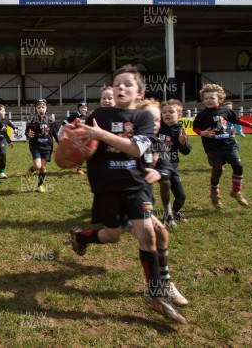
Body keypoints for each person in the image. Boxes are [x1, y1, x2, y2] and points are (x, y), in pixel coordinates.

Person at [68, 65, 186, 324]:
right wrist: (71, 140)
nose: (121, 88)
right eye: (117, 83)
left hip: (135, 187)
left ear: (140, 93)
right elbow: (79, 142)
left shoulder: (142, 118)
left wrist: (101, 134)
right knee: (112, 235)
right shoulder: (98, 113)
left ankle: (154, 295)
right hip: (106, 188)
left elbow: (135, 150)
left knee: (148, 236)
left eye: (128, 84)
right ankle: (82, 237)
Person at [136, 99, 189, 307]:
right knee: (114, 234)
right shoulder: (129, 142)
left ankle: (160, 288)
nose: (156, 122)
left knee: (159, 234)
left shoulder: (158, 143)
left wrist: (158, 172)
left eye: (157, 119)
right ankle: (158, 291)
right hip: (126, 200)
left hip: (143, 200)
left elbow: (167, 167)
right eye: (150, 119)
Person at [193, 84, 252, 208]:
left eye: (211, 98)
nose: (208, 100)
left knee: (238, 166)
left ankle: (236, 191)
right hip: (213, 148)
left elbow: (236, 120)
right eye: (206, 98)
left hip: (229, 145)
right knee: (217, 171)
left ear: (219, 99)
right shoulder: (202, 115)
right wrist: (202, 133)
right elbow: (195, 128)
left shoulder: (226, 111)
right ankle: (215, 195)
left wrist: (249, 125)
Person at [158, 99, 192, 227]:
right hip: (154, 167)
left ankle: (174, 212)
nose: (167, 114)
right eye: (164, 112)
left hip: (171, 167)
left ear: (179, 114)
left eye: (171, 112)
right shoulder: (157, 127)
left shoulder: (180, 130)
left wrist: (183, 143)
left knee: (181, 197)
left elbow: (186, 151)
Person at [25, 99, 59, 193]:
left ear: (46, 108)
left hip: (47, 147)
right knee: (38, 165)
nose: (41, 109)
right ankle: (30, 171)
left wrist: (59, 143)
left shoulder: (50, 120)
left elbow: (55, 133)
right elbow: (26, 132)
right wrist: (29, 134)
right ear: (36, 109)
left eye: (43, 107)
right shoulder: (32, 120)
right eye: (39, 107)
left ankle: (39, 186)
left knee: (43, 168)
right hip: (36, 146)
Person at [63, 102, 89, 175]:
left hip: (85, 137)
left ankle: (80, 168)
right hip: (76, 138)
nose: (83, 109)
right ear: (78, 108)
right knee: (81, 153)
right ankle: (78, 168)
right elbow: (64, 123)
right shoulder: (75, 116)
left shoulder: (87, 117)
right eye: (81, 107)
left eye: (84, 108)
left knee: (85, 153)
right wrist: (70, 129)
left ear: (87, 109)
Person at [0, 104, 15, 179]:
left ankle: (2, 172)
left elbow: (8, 126)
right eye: (3, 111)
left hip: (2, 139)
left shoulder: (5, 120)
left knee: (2, 153)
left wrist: (9, 141)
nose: (5, 112)